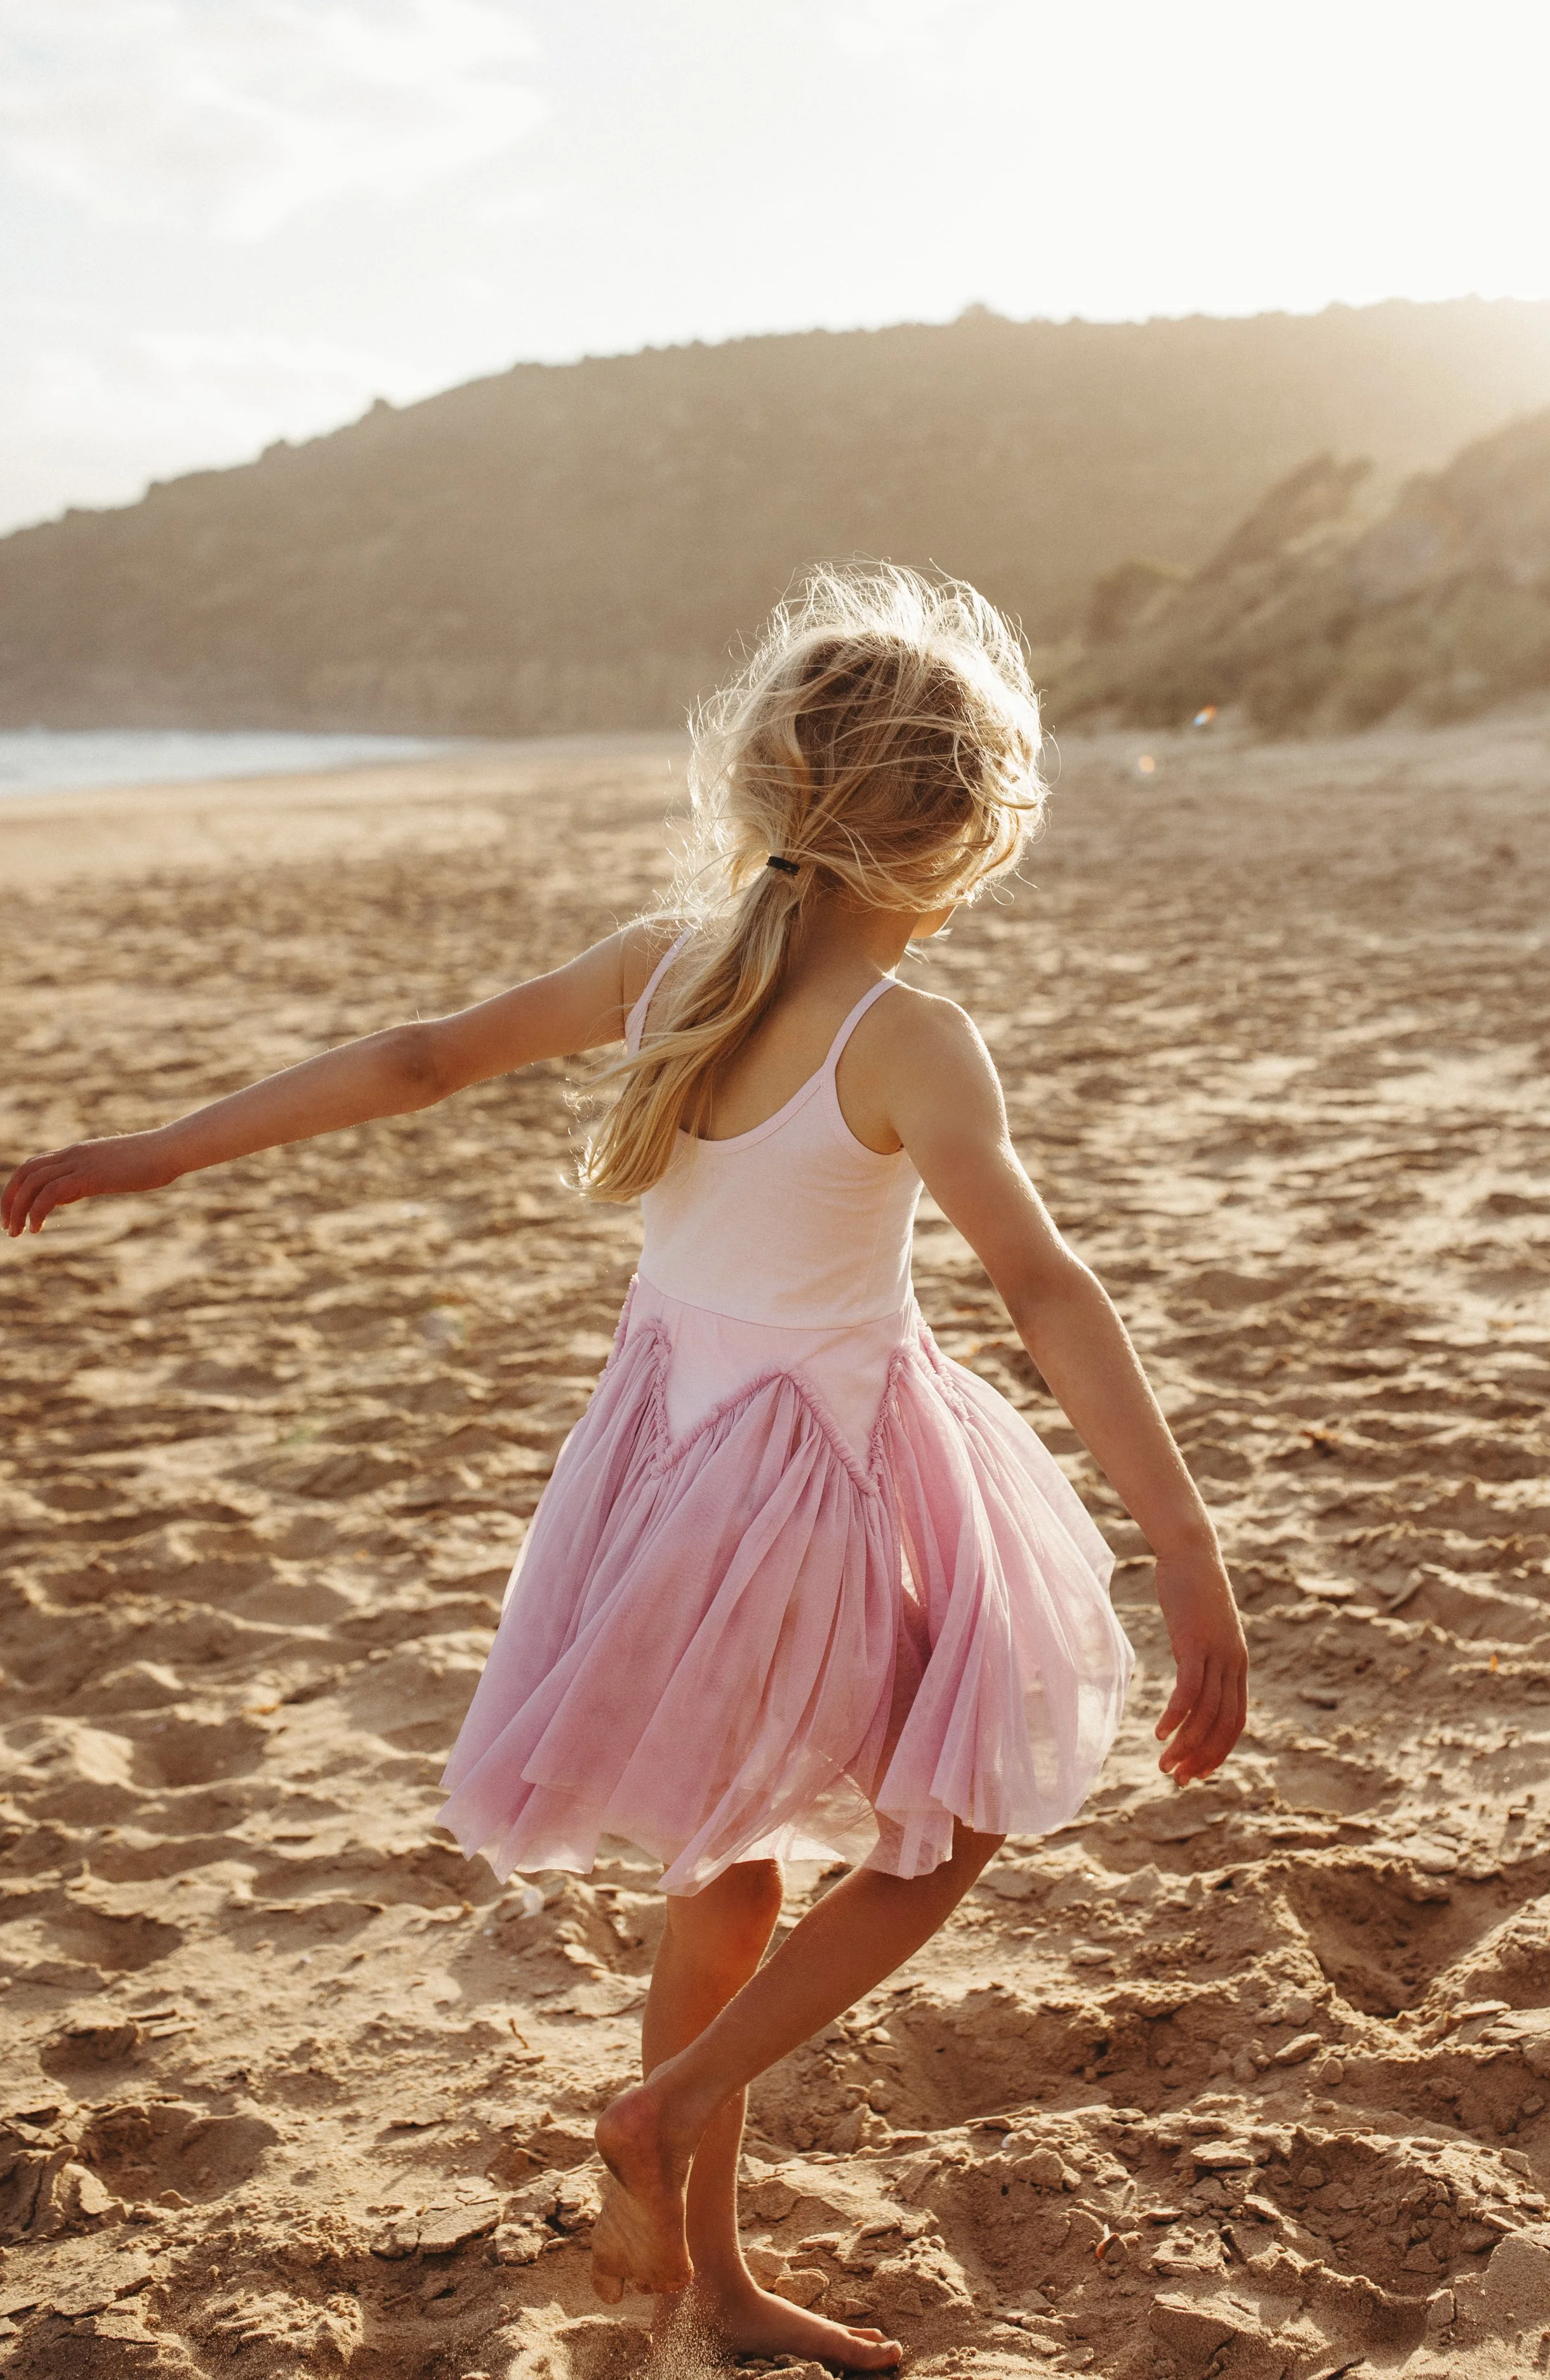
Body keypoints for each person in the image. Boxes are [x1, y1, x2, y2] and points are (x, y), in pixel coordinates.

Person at [3, 565, 1247, 2370]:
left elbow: (420, 1060)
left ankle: (709, 2265)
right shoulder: (908, 1039)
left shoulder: (671, 967)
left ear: (766, 786)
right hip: (806, 1479)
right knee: (953, 1813)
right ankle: (672, 2106)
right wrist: (1185, 1549)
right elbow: (1044, 1288)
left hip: (663, 1467)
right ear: (970, 830)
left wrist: (160, 1153)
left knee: (723, 1867)